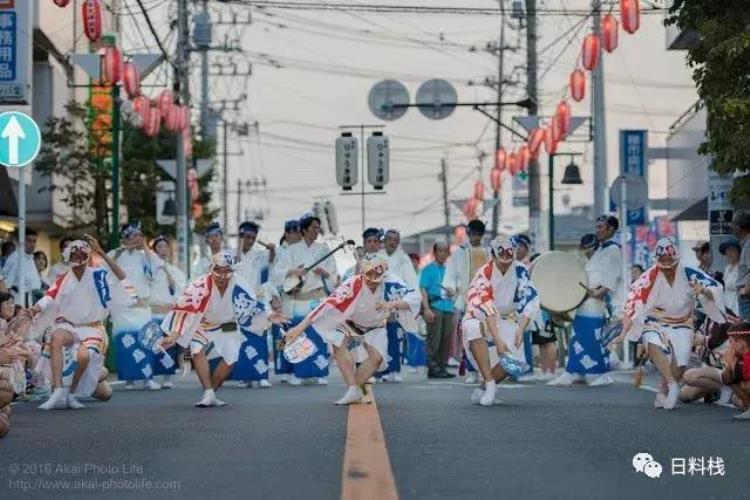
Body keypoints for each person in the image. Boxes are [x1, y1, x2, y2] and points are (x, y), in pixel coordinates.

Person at [283, 253, 421, 405]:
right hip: (349, 323)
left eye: (377, 273)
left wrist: (392, 304)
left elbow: (414, 298)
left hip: (376, 326)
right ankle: (352, 388)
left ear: (384, 272)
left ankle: (354, 388)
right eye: (369, 274)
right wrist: (299, 328)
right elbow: (327, 305)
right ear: (363, 273)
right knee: (337, 342)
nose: (373, 278)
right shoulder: (353, 284)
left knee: (377, 359)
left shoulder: (391, 281)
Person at [613, 237, 725, 410]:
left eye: (669, 261)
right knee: (651, 339)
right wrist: (624, 332)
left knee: (680, 365)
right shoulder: (649, 276)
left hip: (683, 322)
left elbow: (714, 290)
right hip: (656, 320)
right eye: (662, 261)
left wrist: (704, 292)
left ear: (676, 259)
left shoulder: (689, 272)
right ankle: (672, 385)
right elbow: (632, 304)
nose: (666, 265)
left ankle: (663, 389)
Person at [160, 252, 283, 407]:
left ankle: (211, 392)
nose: (222, 276)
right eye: (218, 270)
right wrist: (173, 335)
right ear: (211, 269)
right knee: (197, 351)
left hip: (227, 325)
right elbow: (185, 309)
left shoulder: (239, 284)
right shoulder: (200, 285)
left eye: (227, 271)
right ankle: (208, 392)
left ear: (233, 271)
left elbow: (252, 305)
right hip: (202, 324)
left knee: (231, 359)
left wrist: (270, 315)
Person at [33, 237, 136, 410]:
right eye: (74, 254)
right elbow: (49, 297)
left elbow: (121, 276)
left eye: (82, 254)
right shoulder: (63, 278)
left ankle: (72, 393)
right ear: (69, 257)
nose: (79, 258)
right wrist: (35, 308)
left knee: (94, 374)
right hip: (69, 327)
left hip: (93, 329)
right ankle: (58, 390)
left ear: (88, 256)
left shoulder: (99, 275)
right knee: (56, 337)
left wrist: (101, 252)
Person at [461, 237, 540, 406]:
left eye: (509, 261)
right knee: (473, 327)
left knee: (513, 360)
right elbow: (486, 306)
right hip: (480, 316)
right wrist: (497, 340)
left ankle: (483, 388)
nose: (505, 264)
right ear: (493, 255)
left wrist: (520, 329)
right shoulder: (485, 272)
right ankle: (490, 384)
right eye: (501, 260)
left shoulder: (520, 270)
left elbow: (530, 299)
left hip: (506, 318)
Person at [272, 215, 337, 385]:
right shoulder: (291, 250)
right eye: (314, 227)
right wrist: (294, 271)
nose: (317, 231)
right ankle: (298, 374)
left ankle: (320, 372)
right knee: (299, 336)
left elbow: (333, 276)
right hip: (298, 299)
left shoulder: (324, 249)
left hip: (317, 297)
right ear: (304, 229)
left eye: (318, 228)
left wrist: (325, 273)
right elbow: (277, 273)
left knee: (318, 336)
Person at [549, 231, 618, 387]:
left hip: (596, 305)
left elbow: (610, 280)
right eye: (585, 248)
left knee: (594, 339)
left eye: (590, 247)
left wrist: (598, 292)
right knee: (576, 339)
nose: (588, 250)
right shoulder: (584, 262)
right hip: (581, 305)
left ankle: (602, 373)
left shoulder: (608, 256)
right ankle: (574, 371)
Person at [108, 222, 164, 391]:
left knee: (146, 341)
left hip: (141, 306)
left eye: (140, 236)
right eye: (134, 236)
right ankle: (129, 380)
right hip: (123, 308)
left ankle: (148, 378)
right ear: (125, 237)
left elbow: (155, 271)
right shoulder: (115, 254)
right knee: (125, 344)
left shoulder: (145, 256)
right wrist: (118, 253)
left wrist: (146, 248)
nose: (137, 239)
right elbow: (106, 273)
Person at [443, 219, 488, 384]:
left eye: (478, 234)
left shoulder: (488, 252)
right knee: (469, 337)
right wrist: (450, 288)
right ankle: (472, 370)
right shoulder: (460, 252)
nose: (475, 237)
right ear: (468, 234)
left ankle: (484, 370)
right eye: (473, 234)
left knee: (484, 336)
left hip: (485, 301)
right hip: (466, 300)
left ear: (482, 235)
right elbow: (451, 274)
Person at [234, 221, 277, 388]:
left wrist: (272, 250)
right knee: (241, 340)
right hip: (239, 302)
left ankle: (262, 375)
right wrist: (238, 244)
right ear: (241, 237)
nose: (250, 240)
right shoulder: (232, 253)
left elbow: (271, 261)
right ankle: (244, 377)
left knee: (260, 340)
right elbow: (234, 262)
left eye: (253, 237)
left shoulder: (259, 255)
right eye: (246, 237)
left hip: (257, 301)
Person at [149, 235, 187, 389]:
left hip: (167, 314)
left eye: (165, 246)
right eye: (159, 247)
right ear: (154, 250)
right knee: (151, 345)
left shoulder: (175, 271)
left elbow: (178, 292)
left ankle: (167, 377)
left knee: (167, 346)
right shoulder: (148, 269)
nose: (162, 249)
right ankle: (149, 377)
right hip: (151, 312)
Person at [420, 242, 455, 379]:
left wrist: (453, 292)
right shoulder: (427, 269)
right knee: (434, 338)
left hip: (449, 307)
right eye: (439, 251)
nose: (442, 253)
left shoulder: (449, 271)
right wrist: (427, 309)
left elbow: (454, 289)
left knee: (446, 339)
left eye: (445, 251)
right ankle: (433, 367)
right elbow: (423, 289)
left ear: (448, 254)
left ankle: (442, 367)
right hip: (434, 306)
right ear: (435, 253)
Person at [1, 228, 42, 307]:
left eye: (34, 241)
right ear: (22, 242)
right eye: (29, 241)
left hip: (33, 302)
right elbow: (6, 285)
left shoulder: (31, 258)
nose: (32, 244)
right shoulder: (15, 258)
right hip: (19, 302)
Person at [733, 210, 750, 322]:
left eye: (733, 225)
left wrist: (746, 290)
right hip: (745, 297)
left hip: (747, 297)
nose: (732, 228)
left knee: (746, 334)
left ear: (738, 227)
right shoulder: (746, 244)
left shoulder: (749, 245)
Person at [720, 238, 742, 314]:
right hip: (727, 306)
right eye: (727, 251)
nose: (729, 253)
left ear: (739, 252)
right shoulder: (727, 269)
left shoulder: (742, 269)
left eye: (732, 250)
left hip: (738, 307)